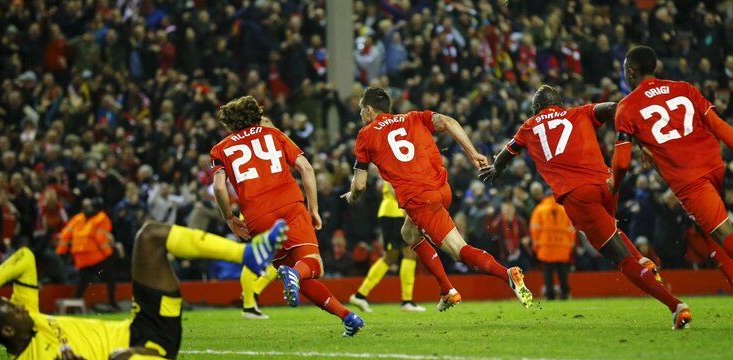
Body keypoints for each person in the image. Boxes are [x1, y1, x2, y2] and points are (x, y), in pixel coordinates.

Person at [614, 46, 733, 322]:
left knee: (725, 235)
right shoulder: (684, 88)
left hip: (690, 179)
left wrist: (614, 188)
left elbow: (620, 163)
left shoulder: (627, 106)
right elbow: (719, 125)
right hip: (714, 165)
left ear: (630, 72)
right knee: (708, 230)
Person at [480, 85, 692, 330]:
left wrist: (496, 168)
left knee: (622, 261)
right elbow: (614, 108)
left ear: (537, 109)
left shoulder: (530, 125)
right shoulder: (579, 112)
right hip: (609, 183)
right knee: (610, 229)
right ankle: (643, 259)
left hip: (579, 195)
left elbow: (508, 152)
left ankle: (675, 305)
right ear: (559, 104)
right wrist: (637, 136)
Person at [0, 220, 288, 360]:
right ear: (6, 332)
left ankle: (247, 255)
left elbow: (24, 257)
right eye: (12, 309)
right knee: (117, 359)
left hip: (145, 321)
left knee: (149, 236)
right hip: (146, 350)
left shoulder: (27, 314)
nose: (19, 306)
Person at [343, 87, 533, 312]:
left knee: (458, 250)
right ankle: (447, 290)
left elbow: (360, 184)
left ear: (368, 109)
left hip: (420, 199)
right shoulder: (413, 117)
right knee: (408, 233)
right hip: (442, 188)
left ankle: (507, 274)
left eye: (361, 111)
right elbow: (448, 121)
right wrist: (472, 153)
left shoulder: (366, 134)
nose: (361, 115)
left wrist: (352, 196)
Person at [211, 96, 364, 336]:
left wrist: (230, 218)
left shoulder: (220, 148)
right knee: (313, 266)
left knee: (296, 272)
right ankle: (296, 277)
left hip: (256, 216)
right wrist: (313, 208)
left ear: (230, 123)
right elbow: (306, 168)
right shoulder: (275, 134)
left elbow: (219, 188)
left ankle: (348, 317)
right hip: (289, 205)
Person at [348, 181, 425, 313]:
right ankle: (407, 301)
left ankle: (360, 295)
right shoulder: (398, 162)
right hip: (395, 213)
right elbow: (393, 185)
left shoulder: (394, 162)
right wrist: (407, 208)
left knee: (391, 257)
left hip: (390, 212)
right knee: (409, 253)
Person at [56, 197, 118, 310]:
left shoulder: (77, 218)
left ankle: (75, 304)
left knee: (83, 281)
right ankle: (112, 302)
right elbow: (101, 239)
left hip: (79, 257)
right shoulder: (102, 218)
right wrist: (109, 254)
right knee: (110, 277)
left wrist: (61, 252)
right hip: (94, 256)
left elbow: (65, 234)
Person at [530, 188, 576, 300]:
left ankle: (550, 295)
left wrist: (536, 247)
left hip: (546, 246)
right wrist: (569, 246)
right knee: (562, 272)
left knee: (548, 273)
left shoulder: (539, 209)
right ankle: (565, 293)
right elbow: (571, 229)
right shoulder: (565, 209)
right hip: (562, 246)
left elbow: (535, 230)